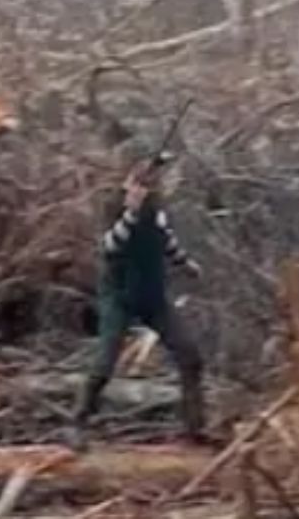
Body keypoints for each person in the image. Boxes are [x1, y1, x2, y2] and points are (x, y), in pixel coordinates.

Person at [71, 155, 206, 450]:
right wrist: (130, 213)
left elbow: (165, 239)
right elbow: (108, 247)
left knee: (190, 356)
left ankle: (194, 428)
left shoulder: (157, 209)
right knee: (105, 364)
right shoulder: (113, 205)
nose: (158, 183)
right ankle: (78, 423)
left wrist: (186, 264)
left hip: (152, 297)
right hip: (119, 297)